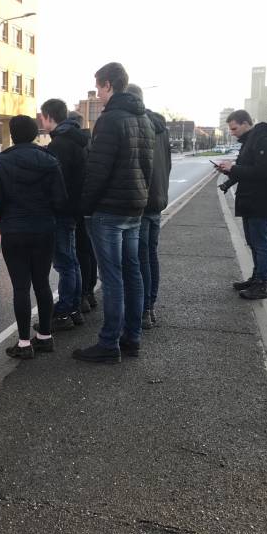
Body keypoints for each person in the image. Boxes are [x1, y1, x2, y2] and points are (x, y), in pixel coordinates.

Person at [74, 62, 154, 363]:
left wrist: (85, 207)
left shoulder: (110, 120)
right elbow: (147, 168)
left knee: (113, 278)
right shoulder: (144, 119)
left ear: (108, 85)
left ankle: (109, 345)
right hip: (135, 207)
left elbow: (97, 171)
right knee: (132, 272)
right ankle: (132, 338)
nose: (98, 94)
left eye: (98, 88)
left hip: (108, 209)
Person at [0, 115, 67, 359]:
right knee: (42, 282)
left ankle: (23, 343)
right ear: (34, 134)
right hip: (44, 228)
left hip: (14, 230)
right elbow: (61, 200)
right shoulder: (50, 162)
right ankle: (45, 336)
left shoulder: (2, 165)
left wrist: (3, 219)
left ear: (12, 134)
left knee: (21, 286)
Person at [39, 99, 89, 331]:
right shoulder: (78, 139)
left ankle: (64, 311)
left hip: (62, 210)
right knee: (73, 260)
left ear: (50, 117)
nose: (41, 120)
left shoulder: (59, 145)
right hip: (76, 207)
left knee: (64, 263)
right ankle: (75, 308)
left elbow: (54, 182)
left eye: (42, 116)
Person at [217, 109, 267, 300]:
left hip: (261, 201)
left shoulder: (263, 141)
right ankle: (255, 278)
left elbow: (262, 172)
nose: (232, 132)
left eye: (234, 128)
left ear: (245, 123)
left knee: (260, 244)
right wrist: (228, 173)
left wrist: (233, 167)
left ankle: (261, 286)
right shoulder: (249, 142)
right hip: (250, 200)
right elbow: (246, 171)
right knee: (253, 243)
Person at [125, 84, 172, 328]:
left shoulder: (138, 124)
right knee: (151, 255)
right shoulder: (161, 127)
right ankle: (150, 305)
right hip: (158, 200)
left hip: (141, 201)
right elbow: (168, 164)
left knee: (139, 258)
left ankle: (143, 309)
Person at [67, 110, 98, 314]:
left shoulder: (69, 144)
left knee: (77, 254)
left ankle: (80, 297)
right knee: (89, 251)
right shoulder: (92, 144)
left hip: (74, 206)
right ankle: (89, 292)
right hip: (91, 205)